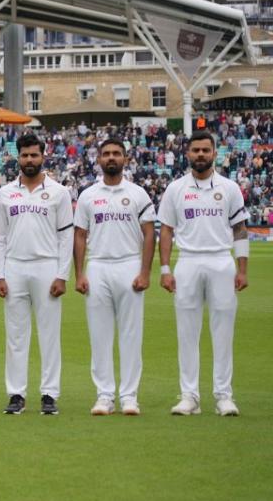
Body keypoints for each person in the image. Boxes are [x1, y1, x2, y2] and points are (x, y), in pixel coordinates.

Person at [158, 130, 249, 416]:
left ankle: (224, 396)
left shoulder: (230, 187)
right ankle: (190, 396)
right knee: (187, 332)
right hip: (188, 261)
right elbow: (167, 231)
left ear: (214, 153)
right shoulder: (176, 189)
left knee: (223, 332)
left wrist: (242, 269)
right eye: (195, 150)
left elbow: (240, 229)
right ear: (187, 154)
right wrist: (164, 269)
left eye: (205, 150)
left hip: (222, 260)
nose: (200, 155)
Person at [73, 138, 155, 416]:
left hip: (129, 264)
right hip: (98, 266)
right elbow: (80, 236)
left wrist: (145, 272)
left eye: (116, 154)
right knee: (100, 335)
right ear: (98, 160)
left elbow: (149, 234)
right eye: (106, 154)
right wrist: (80, 273)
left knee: (132, 334)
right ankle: (104, 396)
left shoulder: (138, 193)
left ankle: (130, 396)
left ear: (126, 158)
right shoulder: (87, 195)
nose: (111, 158)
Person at [0, 134, 73, 416]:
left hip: (47, 266)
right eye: (24, 155)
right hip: (14, 267)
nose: (29, 160)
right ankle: (16, 394)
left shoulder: (59, 192)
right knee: (16, 335)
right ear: (18, 157)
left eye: (34, 155)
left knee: (49, 334)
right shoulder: (5, 193)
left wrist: (63, 275)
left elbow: (66, 237)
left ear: (43, 156)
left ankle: (49, 394)